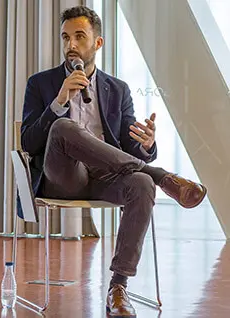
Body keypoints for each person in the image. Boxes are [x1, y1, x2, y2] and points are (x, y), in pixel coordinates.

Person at [21, 6, 207, 317]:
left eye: (80, 37)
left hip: (106, 177)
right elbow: (28, 142)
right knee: (65, 127)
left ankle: (118, 288)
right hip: (63, 178)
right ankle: (162, 175)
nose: (71, 45)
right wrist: (59, 102)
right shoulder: (41, 83)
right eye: (65, 37)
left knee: (142, 183)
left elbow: (128, 145)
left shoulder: (117, 89)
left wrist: (146, 144)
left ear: (98, 43)